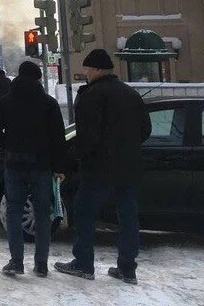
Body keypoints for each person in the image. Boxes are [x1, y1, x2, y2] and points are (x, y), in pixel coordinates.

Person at [55, 48, 151, 285]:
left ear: (97, 69)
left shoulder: (92, 95)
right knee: (128, 216)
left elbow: (88, 137)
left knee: (84, 212)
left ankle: (84, 263)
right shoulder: (131, 94)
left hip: (98, 169)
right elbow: (145, 129)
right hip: (128, 168)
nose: (86, 74)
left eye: (87, 69)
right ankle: (127, 268)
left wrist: (76, 158)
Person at [0, 61, 66, 277]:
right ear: (39, 79)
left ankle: (16, 262)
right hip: (41, 166)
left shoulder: (7, 102)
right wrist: (59, 166)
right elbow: (58, 138)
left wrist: (7, 145)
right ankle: (41, 263)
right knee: (42, 213)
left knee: (13, 211)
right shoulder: (48, 104)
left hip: (14, 165)